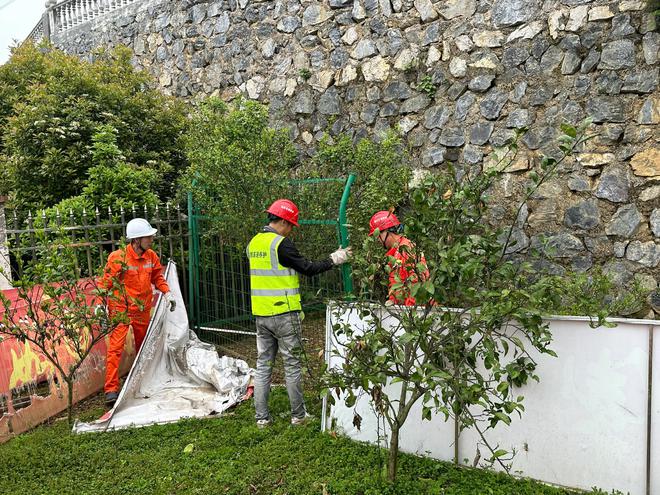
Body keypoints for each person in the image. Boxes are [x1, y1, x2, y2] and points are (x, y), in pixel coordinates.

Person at [247, 199, 351, 428]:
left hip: (261, 315)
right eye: (291, 225)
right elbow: (309, 269)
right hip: (284, 314)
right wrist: (335, 258)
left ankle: (262, 419)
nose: (292, 230)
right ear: (283, 221)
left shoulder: (254, 243)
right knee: (292, 365)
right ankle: (299, 416)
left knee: (263, 365)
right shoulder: (281, 244)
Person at [100, 218, 176, 406]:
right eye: (148, 237)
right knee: (116, 349)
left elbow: (157, 277)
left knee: (144, 348)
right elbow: (106, 283)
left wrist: (167, 293)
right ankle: (111, 390)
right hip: (121, 310)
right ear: (136, 240)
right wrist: (101, 304)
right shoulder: (118, 258)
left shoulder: (151, 256)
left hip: (142, 310)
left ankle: (141, 382)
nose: (151, 240)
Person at [369, 210, 429, 306]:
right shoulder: (396, 251)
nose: (377, 240)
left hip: (415, 310)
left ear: (386, 231)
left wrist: (409, 310)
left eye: (377, 235)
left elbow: (416, 284)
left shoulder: (405, 250)